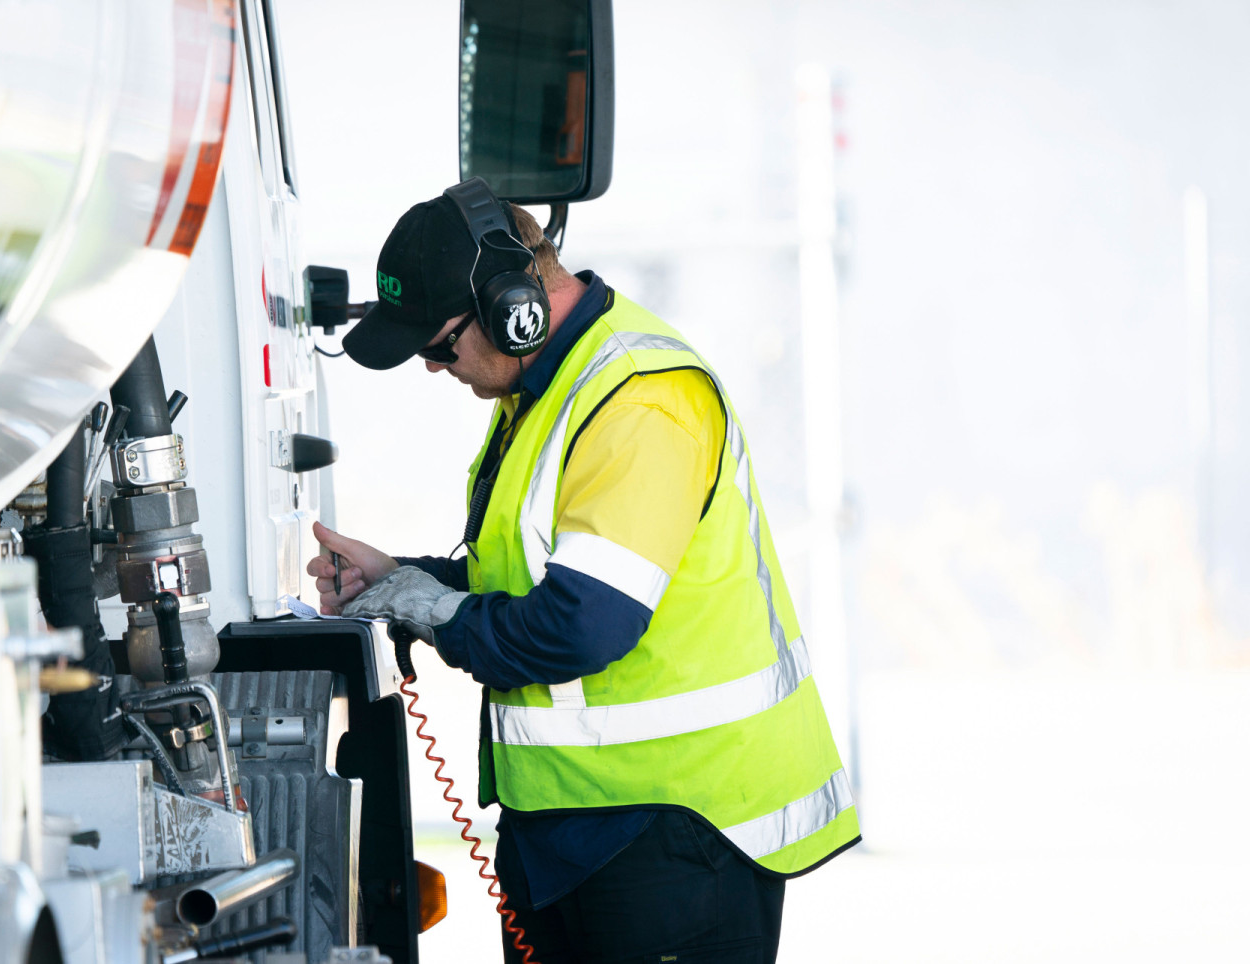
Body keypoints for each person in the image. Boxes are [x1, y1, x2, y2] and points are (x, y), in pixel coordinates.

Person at [307, 177, 859, 964]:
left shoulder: (639, 401)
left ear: (512, 307)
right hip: (575, 835)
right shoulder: (544, 390)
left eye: (438, 344)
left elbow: (582, 622)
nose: (434, 368)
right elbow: (529, 574)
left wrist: (430, 609)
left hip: (673, 834)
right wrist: (403, 576)